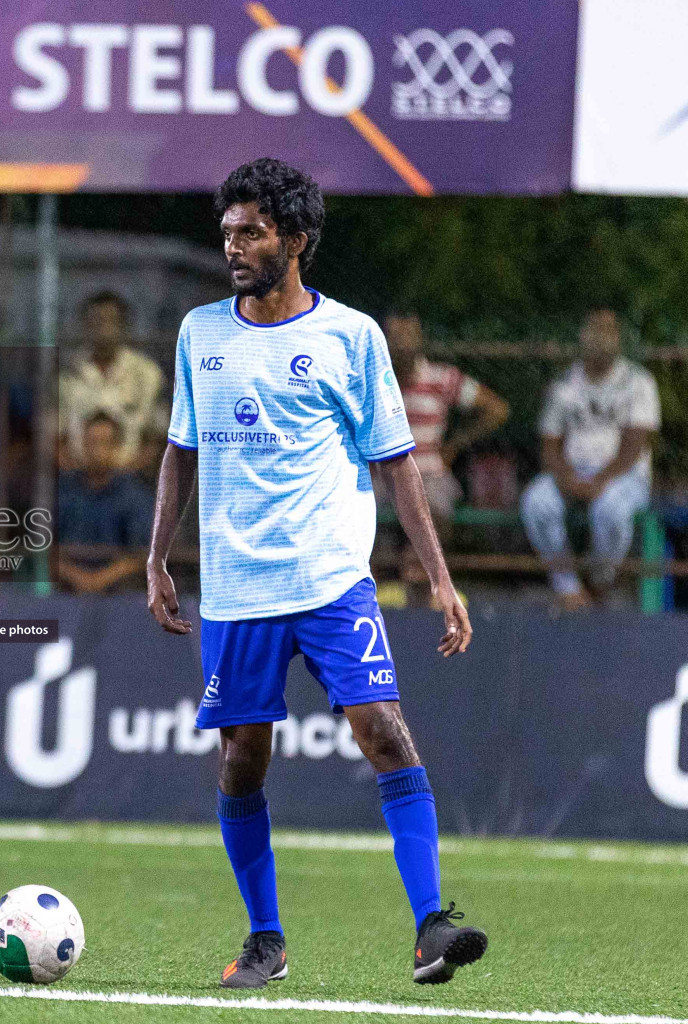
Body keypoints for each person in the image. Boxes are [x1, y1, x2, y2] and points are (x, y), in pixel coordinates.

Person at [145, 159, 486, 990]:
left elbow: (397, 463)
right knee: (242, 764)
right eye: (227, 232)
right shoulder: (201, 334)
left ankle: (431, 925)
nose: (234, 246)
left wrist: (439, 578)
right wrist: (157, 556)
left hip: (333, 580)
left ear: (295, 241)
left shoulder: (353, 337)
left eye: (251, 232)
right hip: (235, 589)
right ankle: (266, 939)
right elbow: (179, 452)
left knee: (384, 730)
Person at [520, 309, 659, 612]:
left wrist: (600, 479)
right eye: (593, 331)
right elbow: (550, 445)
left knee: (609, 510)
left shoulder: (638, 382)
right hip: (572, 472)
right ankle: (568, 588)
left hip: (625, 475)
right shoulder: (564, 384)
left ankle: (600, 583)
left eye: (607, 331)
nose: (599, 338)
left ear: (618, 338)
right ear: (582, 336)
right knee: (536, 502)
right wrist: (567, 478)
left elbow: (634, 445)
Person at [381, 312, 509, 600]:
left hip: (428, 470)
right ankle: (376, 584)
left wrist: (455, 445)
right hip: (381, 471)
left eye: (408, 336)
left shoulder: (442, 378)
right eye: (395, 337)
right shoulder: (373, 379)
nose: (402, 344)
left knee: (436, 505)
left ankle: (430, 582)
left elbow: (497, 409)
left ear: (420, 340)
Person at [59, 291, 166, 473]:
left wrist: (132, 471)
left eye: (110, 321)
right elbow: (55, 438)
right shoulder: (67, 375)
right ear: (84, 325)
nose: (103, 329)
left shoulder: (147, 374)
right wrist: (74, 472)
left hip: (132, 479)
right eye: (95, 321)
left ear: (124, 325)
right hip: (78, 481)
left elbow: (159, 438)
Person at [57, 413, 152, 594]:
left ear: (116, 447)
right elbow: (45, 549)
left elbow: (142, 555)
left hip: (121, 596)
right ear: (83, 445)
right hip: (66, 593)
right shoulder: (64, 490)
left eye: (105, 442)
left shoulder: (134, 494)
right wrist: (78, 578)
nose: (98, 450)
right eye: (92, 442)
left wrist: (99, 580)